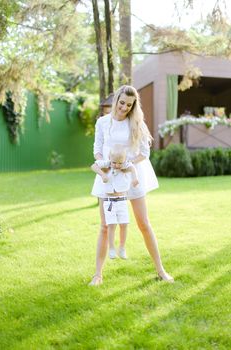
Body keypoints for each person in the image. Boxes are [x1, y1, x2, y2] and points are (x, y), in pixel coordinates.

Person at [89, 85, 174, 286]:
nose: (124, 108)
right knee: (105, 226)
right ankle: (97, 274)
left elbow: (144, 153)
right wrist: (106, 165)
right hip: (108, 178)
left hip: (131, 177)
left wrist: (126, 166)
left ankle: (161, 270)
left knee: (143, 223)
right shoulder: (102, 122)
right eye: (122, 103)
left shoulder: (136, 123)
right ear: (116, 99)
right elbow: (97, 149)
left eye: (129, 105)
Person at [91, 144, 139, 260]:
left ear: (124, 160)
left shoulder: (125, 165)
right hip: (109, 202)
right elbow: (93, 166)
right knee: (111, 225)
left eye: (120, 163)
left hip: (122, 200)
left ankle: (122, 248)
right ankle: (111, 248)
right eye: (114, 162)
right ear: (110, 159)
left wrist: (134, 178)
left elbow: (133, 168)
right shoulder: (107, 164)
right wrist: (102, 174)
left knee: (124, 224)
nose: (117, 165)